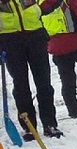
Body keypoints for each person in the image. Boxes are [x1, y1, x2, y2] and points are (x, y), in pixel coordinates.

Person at [0, 0, 64, 141]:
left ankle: (49, 124)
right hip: (9, 40)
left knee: (44, 83)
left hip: (36, 36)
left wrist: (41, 10)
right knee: (21, 85)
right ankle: (28, 127)